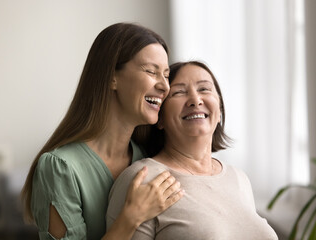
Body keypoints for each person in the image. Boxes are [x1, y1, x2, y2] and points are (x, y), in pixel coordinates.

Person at [20, 23, 184, 240]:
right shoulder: (60, 168)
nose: (165, 86)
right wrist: (131, 217)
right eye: (151, 71)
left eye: (166, 75)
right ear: (111, 77)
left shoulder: (148, 157)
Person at [106, 60, 278, 240]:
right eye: (179, 92)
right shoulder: (143, 178)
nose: (195, 100)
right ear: (160, 117)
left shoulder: (239, 178)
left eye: (204, 89)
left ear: (219, 110)